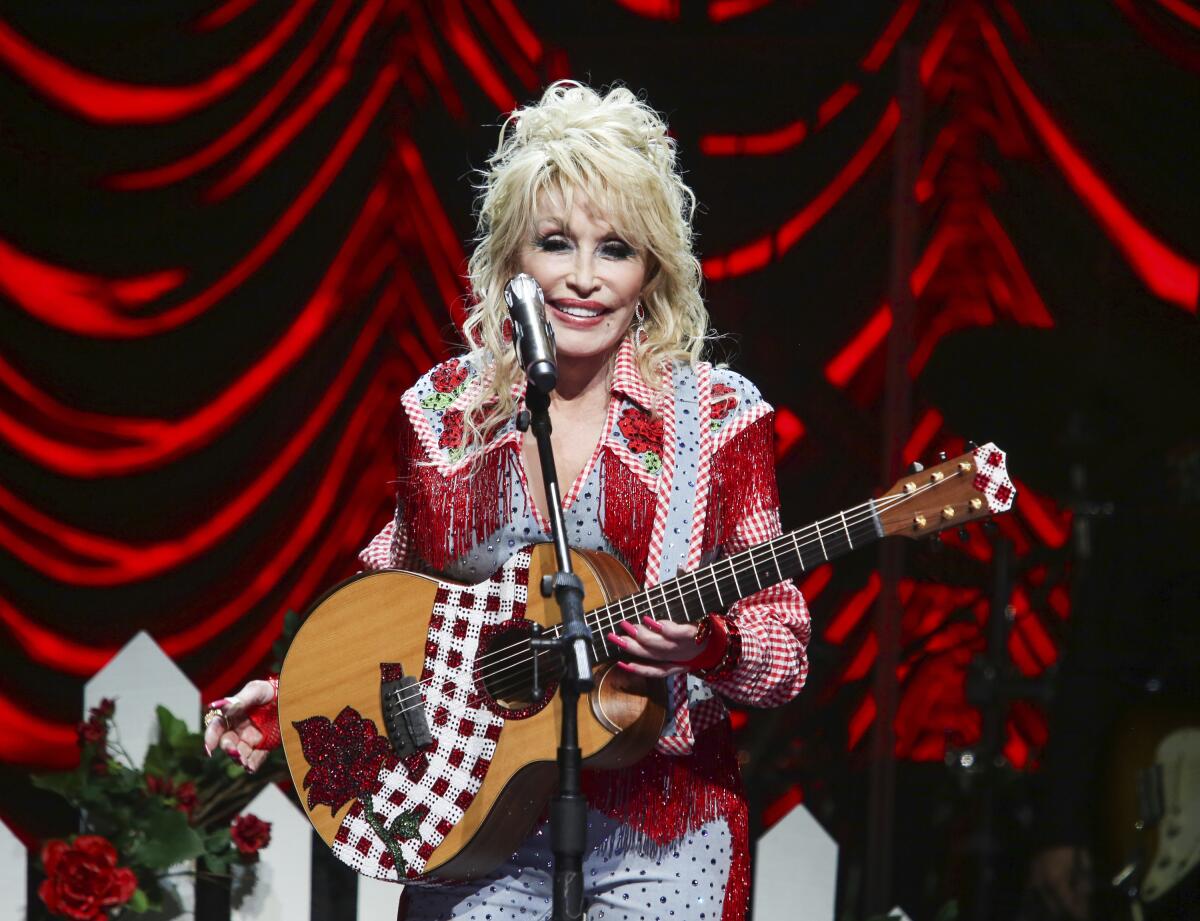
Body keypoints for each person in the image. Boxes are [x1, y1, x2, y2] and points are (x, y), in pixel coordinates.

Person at [203, 81, 811, 920]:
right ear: (513, 258)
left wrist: (708, 644)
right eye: (557, 243)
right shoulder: (447, 411)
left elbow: (784, 650)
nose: (585, 279)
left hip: (665, 829)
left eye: (617, 250)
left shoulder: (714, 420)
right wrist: (299, 693)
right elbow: (394, 587)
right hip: (468, 817)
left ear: (652, 270)